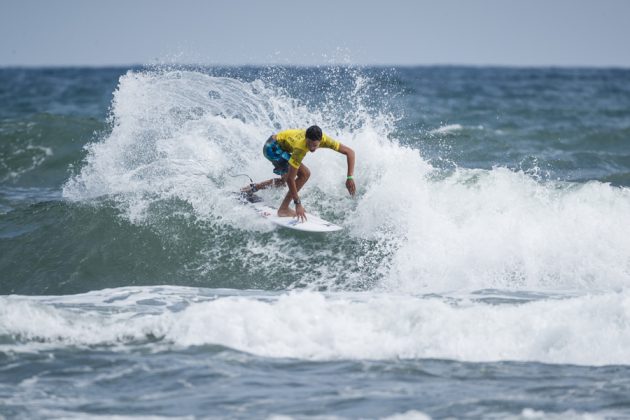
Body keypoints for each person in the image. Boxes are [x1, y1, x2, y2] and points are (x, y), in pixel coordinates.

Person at [244, 125, 355, 222]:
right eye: (309, 144)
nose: (311, 148)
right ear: (306, 139)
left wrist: (350, 177)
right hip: (272, 148)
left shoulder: (325, 140)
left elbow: (350, 152)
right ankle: (283, 209)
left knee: (283, 181)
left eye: (315, 145)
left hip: (277, 144)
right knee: (304, 174)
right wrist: (298, 204)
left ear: (321, 140)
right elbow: (291, 179)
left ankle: (252, 188)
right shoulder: (300, 148)